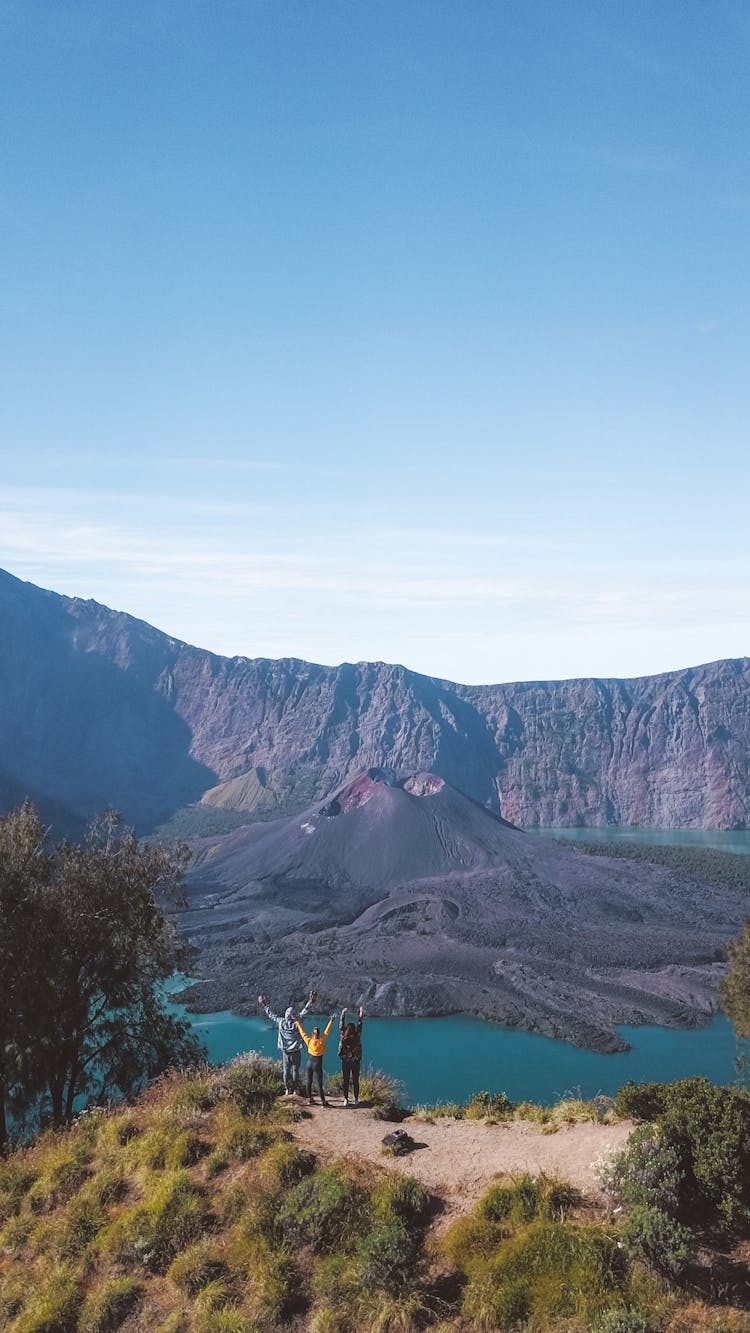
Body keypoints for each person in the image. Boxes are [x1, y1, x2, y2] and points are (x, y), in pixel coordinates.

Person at [258, 990, 316, 1095]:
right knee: (295, 1070)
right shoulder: (297, 1023)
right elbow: (305, 1011)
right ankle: (295, 1090)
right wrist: (310, 1001)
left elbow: (271, 1014)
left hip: (285, 1051)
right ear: (293, 1015)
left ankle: (287, 1089)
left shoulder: (281, 1022)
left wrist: (263, 1004)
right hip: (296, 1051)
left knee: (286, 1071)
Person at [296, 1011, 337, 1105]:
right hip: (317, 1064)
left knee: (309, 1081)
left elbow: (302, 1032)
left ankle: (310, 1099)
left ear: (312, 1034)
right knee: (319, 1083)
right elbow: (327, 1032)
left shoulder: (309, 1041)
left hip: (309, 1063)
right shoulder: (321, 1041)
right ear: (318, 1034)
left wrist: (297, 1022)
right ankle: (323, 1101)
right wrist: (331, 1021)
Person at [338, 1005, 364, 1106]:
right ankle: (356, 1099)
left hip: (345, 1061)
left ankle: (345, 1099)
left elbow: (341, 1026)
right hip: (355, 1062)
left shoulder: (343, 1036)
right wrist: (361, 1015)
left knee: (345, 1080)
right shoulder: (357, 1037)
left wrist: (342, 1015)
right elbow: (360, 1025)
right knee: (355, 1080)